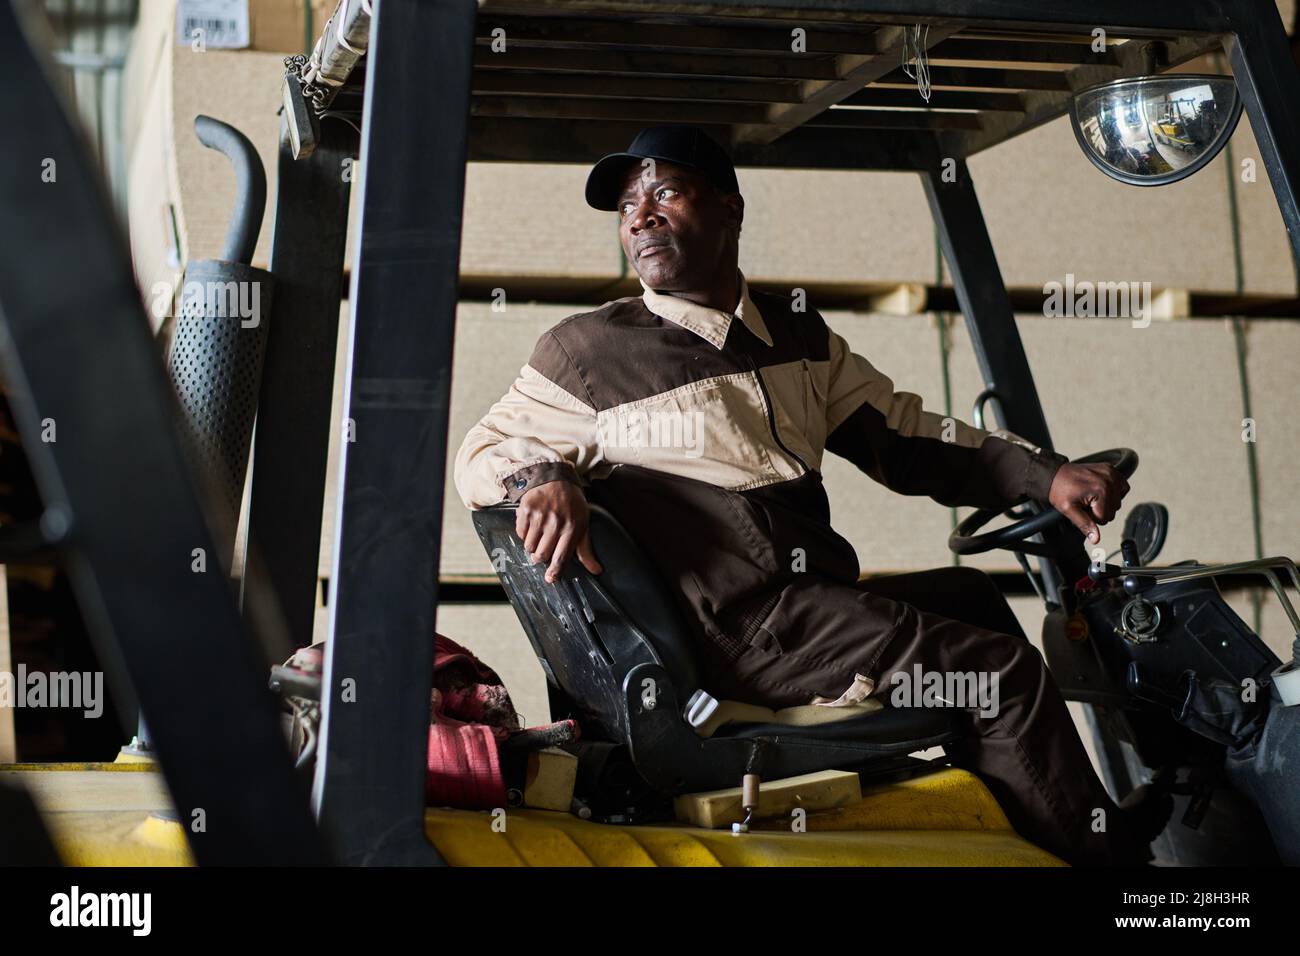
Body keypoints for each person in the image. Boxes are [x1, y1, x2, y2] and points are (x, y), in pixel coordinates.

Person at [453, 125, 1168, 865]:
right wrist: (544, 480)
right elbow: (482, 452)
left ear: (729, 210)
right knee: (998, 677)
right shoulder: (588, 353)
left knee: (973, 600)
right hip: (743, 630)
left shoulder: (794, 334)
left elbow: (904, 434)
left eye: (664, 191)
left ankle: (1046, 818)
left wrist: (1041, 475)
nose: (640, 216)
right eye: (628, 205)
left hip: (810, 604)